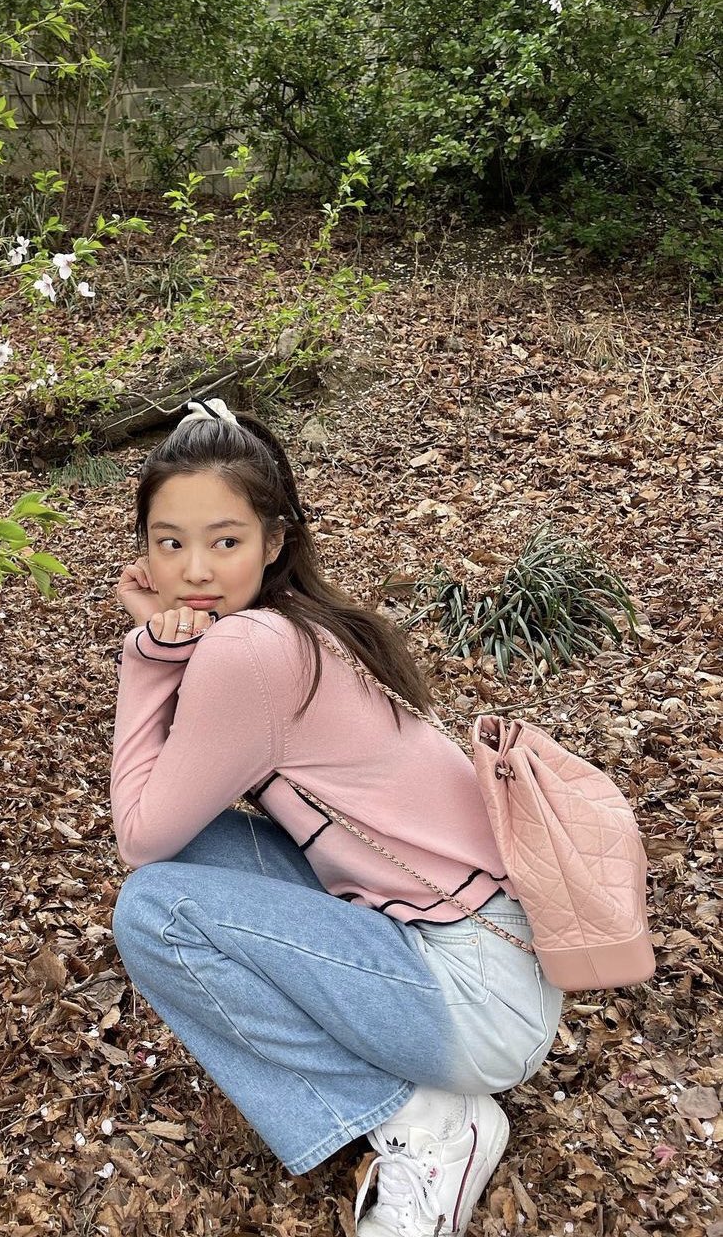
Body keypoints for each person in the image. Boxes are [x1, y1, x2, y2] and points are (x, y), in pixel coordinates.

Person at [108, 396, 563, 1236]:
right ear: (143, 548)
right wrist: (171, 651)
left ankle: (425, 1124)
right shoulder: (294, 627)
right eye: (169, 543)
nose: (194, 570)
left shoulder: (248, 651)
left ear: (274, 542)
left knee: (154, 907)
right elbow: (168, 814)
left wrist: (146, 658)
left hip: (473, 995)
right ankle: (419, 1101)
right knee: (195, 852)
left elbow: (135, 832)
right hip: (491, 960)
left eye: (225, 541)